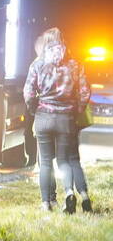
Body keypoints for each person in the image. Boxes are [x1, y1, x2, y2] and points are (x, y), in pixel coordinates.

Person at [24, 27, 91, 213]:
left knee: (45, 162)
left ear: (45, 43)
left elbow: (28, 93)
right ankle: (70, 192)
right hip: (66, 119)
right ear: (63, 42)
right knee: (64, 160)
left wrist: (34, 110)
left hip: (43, 116)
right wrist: (77, 110)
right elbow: (85, 92)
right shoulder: (74, 65)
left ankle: (46, 203)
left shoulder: (37, 64)